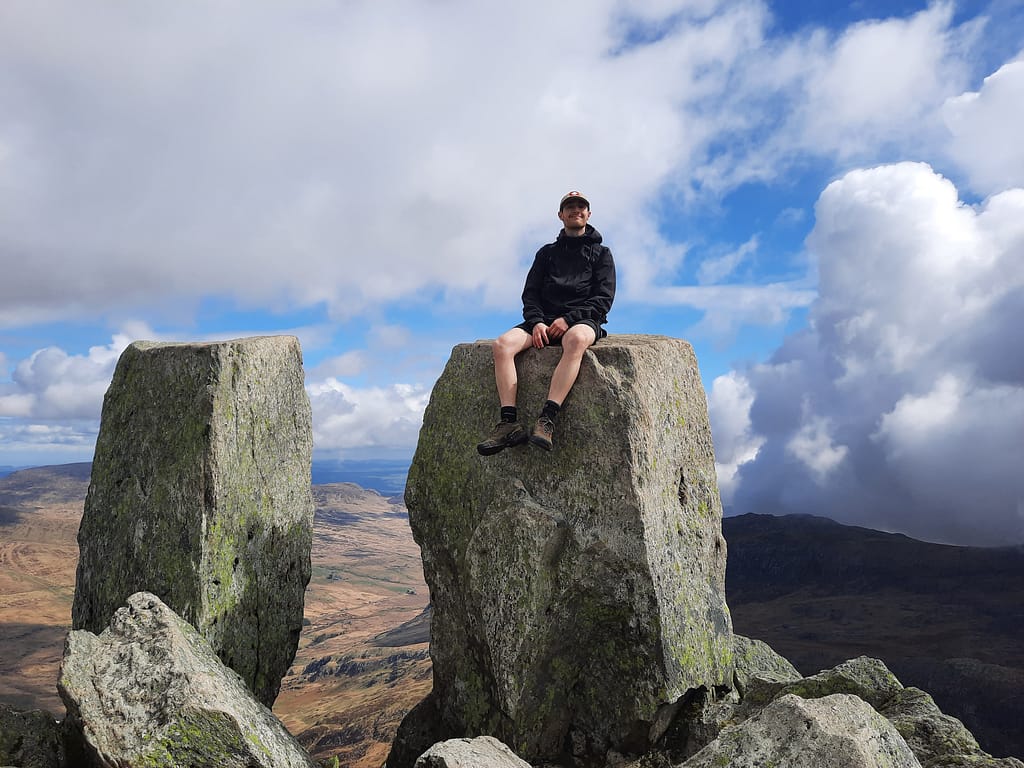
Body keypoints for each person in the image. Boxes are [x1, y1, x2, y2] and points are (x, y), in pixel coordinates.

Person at [477, 190, 616, 455]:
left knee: (575, 340)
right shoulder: (546, 253)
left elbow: (603, 298)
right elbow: (530, 294)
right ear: (561, 215)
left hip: (583, 320)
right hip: (543, 321)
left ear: (588, 213)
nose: (576, 210)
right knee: (502, 345)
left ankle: (547, 419)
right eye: (570, 207)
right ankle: (509, 425)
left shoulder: (601, 254)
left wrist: (569, 319)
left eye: (581, 206)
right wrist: (538, 322)